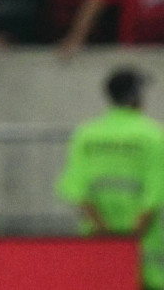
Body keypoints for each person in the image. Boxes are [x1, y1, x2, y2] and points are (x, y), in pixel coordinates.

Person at [58, 68, 164, 290]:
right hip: (145, 253)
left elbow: (76, 190)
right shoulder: (154, 136)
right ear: (137, 97)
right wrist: (130, 241)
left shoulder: (86, 134)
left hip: (98, 247)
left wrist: (107, 238)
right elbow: (155, 194)